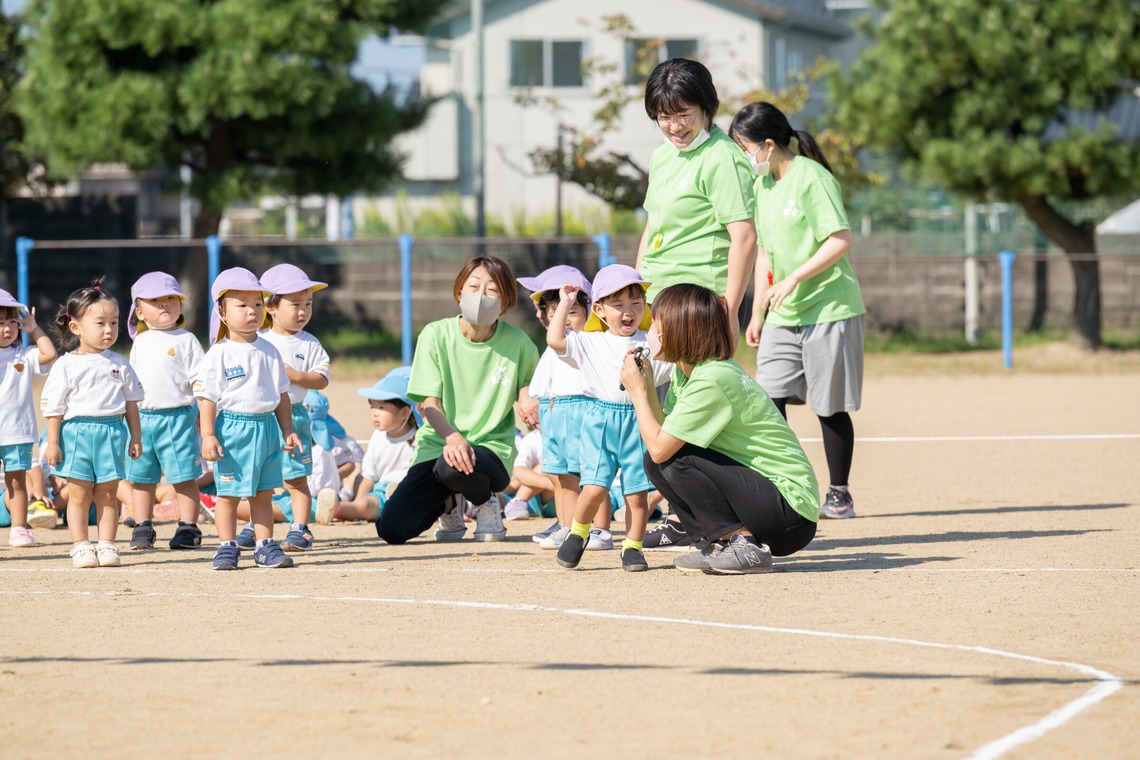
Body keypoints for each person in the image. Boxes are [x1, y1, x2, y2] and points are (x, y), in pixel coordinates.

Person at [620, 283, 819, 574]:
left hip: (790, 512)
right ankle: (717, 545)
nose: (649, 332)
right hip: (768, 500)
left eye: (655, 324)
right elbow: (662, 439)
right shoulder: (688, 370)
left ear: (677, 330)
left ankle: (744, 545)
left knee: (674, 459)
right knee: (657, 461)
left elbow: (662, 447)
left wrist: (638, 393)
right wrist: (647, 384)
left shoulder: (712, 378)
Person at [729, 101, 866, 519]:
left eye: (745, 147)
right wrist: (756, 313)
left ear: (768, 145)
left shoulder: (813, 177)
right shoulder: (764, 184)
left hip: (830, 308)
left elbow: (840, 239)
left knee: (829, 406)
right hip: (783, 315)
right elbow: (766, 252)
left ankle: (839, 494)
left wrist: (794, 279)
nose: (744, 156)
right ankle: (786, 485)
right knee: (768, 400)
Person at [376, 256, 539, 545]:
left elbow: (527, 389)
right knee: (391, 527)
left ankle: (487, 503)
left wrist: (529, 401)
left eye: (492, 290)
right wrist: (452, 438)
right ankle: (449, 505)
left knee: (450, 468)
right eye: (474, 286)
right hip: (440, 443)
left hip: (491, 450)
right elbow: (429, 404)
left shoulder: (520, 343)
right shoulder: (435, 335)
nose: (481, 296)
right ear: (459, 293)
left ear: (506, 300)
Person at [547, 264, 672, 572]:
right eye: (618, 305)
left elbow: (676, 358)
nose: (628, 311)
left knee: (637, 494)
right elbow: (555, 340)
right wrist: (564, 303)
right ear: (600, 310)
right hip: (600, 420)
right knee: (593, 487)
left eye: (635, 303)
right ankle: (579, 532)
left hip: (639, 420)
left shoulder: (651, 342)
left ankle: (632, 546)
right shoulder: (591, 342)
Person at [637, 57, 756, 343]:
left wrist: (729, 311)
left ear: (706, 107)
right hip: (655, 299)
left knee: (695, 388)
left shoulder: (723, 158)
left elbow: (745, 238)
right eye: (664, 117)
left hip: (698, 305)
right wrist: (635, 287)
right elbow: (652, 227)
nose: (674, 126)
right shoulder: (662, 155)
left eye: (683, 114)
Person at [195, 267, 301, 570]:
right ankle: (227, 546)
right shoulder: (218, 354)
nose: (252, 311)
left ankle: (265, 546)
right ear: (223, 312)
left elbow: (281, 395)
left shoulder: (270, 350)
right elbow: (207, 399)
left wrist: (288, 429)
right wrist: (208, 434)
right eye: (242, 305)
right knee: (228, 495)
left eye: (257, 304)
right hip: (232, 430)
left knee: (263, 494)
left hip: (267, 429)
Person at [41, 279, 143, 568]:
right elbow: (54, 408)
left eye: (114, 322)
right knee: (79, 494)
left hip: (112, 432)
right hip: (76, 435)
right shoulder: (66, 364)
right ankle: (81, 545)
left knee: (108, 494)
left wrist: (136, 436)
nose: (109, 329)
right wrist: (51, 442)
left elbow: (132, 403)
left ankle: (108, 545)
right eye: (100, 323)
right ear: (75, 327)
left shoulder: (120, 363)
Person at [516, 265, 612, 550]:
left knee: (593, 473)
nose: (566, 319)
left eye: (571, 311)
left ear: (589, 311)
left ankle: (601, 530)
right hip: (555, 414)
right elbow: (543, 383)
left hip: (583, 412)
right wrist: (536, 405)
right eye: (557, 312)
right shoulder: (551, 347)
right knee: (561, 475)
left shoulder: (587, 343)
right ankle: (568, 525)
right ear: (543, 316)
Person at [236, 263, 331, 551]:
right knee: (260, 479)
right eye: (295, 304)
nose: (303, 311)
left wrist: (296, 376)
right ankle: (257, 525)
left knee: (295, 477)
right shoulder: (259, 340)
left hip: (296, 417)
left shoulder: (310, 343)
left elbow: (322, 379)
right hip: (262, 418)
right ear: (271, 307)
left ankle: (300, 529)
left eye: (308, 304)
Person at [124, 272, 207, 551]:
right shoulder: (140, 342)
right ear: (139, 311)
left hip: (177, 418)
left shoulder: (187, 340)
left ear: (181, 307)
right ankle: (143, 526)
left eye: (172, 299)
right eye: (156, 300)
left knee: (183, 477)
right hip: (142, 419)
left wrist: (202, 411)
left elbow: (200, 379)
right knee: (141, 479)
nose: (165, 305)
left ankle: (188, 527)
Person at [316, 367, 417, 525]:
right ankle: (335, 508)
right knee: (365, 505)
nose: (375, 413)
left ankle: (398, 500)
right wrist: (358, 501)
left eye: (382, 408)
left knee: (411, 499)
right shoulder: (378, 436)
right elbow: (369, 476)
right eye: (372, 407)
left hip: (413, 490)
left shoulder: (419, 437)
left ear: (404, 412)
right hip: (383, 492)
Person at [0, 289, 58, 547]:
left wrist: (34, 329)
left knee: (17, 482)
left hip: (17, 433)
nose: (8, 329)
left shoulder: (23, 354)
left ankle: (19, 529)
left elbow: (49, 355)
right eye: (0, 323)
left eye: (13, 323)